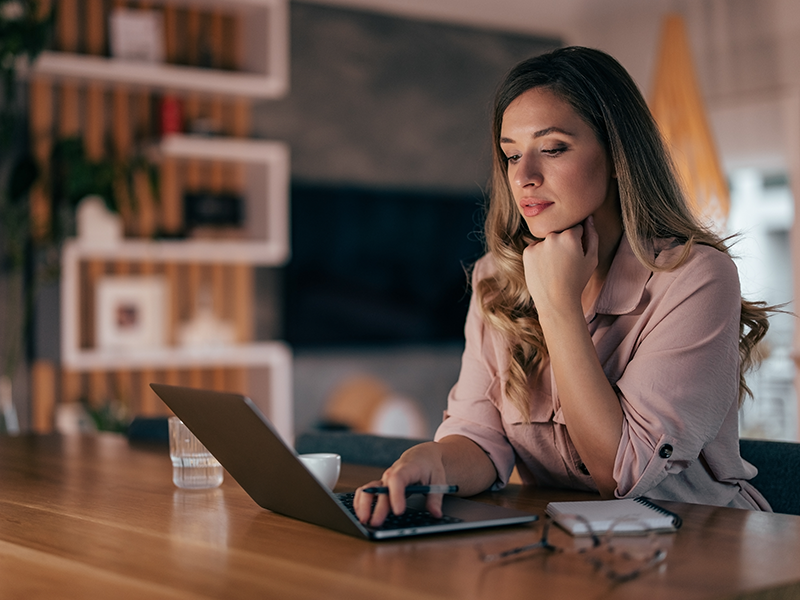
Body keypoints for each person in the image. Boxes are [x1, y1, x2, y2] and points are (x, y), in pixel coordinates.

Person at [353, 46, 773, 527]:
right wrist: (432, 463)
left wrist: (558, 307)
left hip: (699, 547)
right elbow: (480, 439)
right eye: (511, 154)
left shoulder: (695, 276)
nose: (524, 177)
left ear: (618, 154)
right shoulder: (498, 276)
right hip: (567, 548)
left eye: (552, 149)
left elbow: (623, 476)